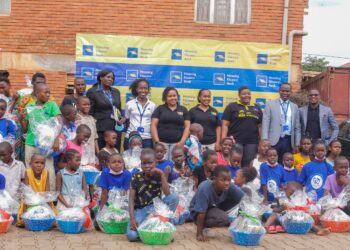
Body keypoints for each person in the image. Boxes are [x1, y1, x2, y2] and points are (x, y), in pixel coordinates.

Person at [127, 148, 179, 242]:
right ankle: (150, 226)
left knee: (174, 197)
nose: (147, 166)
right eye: (144, 163)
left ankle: (166, 226)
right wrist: (132, 219)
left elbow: (167, 194)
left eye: (150, 163)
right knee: (132, 236)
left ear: (155, 163)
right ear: (141, 163)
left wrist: (162, 175)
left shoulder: (159, 175)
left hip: (157, 208)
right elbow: (131, 199)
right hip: (141, 210)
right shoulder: (136, 177)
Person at [20, 83, 61, 191]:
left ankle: (50, 198)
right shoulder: (29, 106)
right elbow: (25, 129)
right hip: (30, 143)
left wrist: (56, 139)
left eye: (49, 92)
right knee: (30, 170)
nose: (48, 95)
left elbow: (59, 123)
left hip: (46, 144)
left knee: (49, 170)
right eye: (45, 92)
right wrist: (22, 119)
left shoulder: (52, 105)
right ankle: (31, 195)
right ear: (37, 93)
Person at [190, 165, 245, 242]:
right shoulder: (205, 188)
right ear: (215, 179)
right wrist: (199, 234)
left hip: (212, 207)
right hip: (197, 211)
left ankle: (211, 217)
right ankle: (200, 225)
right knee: (223, 219)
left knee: (239, 198)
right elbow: (201, 212)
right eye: (223, 180)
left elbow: (244, 199)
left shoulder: (229, 186)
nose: (226, 183)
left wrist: (242, 220)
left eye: (228, 180)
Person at [264, 181, 330, 235]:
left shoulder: (296, 201)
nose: (292, 196)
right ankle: (266, 226)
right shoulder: (279, 198)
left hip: (291, 219)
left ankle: (319, 230)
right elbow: (274, 210)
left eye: (295, 195)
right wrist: (282, 208)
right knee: (274, 215)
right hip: (280, 218)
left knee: (306, 219)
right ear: (285, 189)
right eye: (291, 193)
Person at [222, 86, 263, 166]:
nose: (247, 95)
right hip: (235, 140)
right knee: (234, 163)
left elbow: (260, 126)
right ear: (239, 95)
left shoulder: (256, 108)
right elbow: (225, 125)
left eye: (248, 93)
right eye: (244, 94)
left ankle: (246, 178)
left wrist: (260, 141)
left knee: (248, 163)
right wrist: (223, 140)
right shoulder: (231, 106)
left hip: (252, 142)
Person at [12, 73, 47, 162]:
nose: (40, 85)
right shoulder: (24, 100)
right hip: (25, 132)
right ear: (32, 83)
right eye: (38, 83)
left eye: (42, 83)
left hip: (42, 135)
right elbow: (19, 116)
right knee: (23, 158)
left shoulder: (49, 100)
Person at [87, 69, 124, 150]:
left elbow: (118, 109)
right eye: (108, 77)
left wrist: (121, 119)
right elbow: (90, 113)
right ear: (101, 77)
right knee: (102, 154)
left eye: (112, 78)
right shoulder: (92, 92)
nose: (111, 79)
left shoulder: (116, 91)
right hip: (100, 129)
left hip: (115, 129)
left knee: (114, 153)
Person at [262, 83, 299, 162]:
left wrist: (297, 143)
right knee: (272, 163)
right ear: (279, 91)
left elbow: (297, 127)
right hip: (273, 140)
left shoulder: (295, 106)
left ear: (290, 92)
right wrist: (265, 139)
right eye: (283, 91)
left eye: (287, 91)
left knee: (286, 163)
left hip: (288, 140)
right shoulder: (270, 104)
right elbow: (265, 123)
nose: (285, 93)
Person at [17, 154, 56, 226]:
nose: (39, 165)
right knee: (23, 220)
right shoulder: (28, 172)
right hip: (30, 201)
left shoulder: (46, 172)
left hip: (43, 200)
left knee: (53, 219)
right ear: (30, 164)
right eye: (36, 162)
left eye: (42, 163)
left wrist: (51, 209)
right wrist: (24, 213)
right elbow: (26, 192)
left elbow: (47, 192)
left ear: (44, 165)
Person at [151, 87, 190, 160]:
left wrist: (182, 142)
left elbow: (187, 127)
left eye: (174, 96)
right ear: (165, 98)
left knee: (176, 166)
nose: (173, 98)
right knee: (161, 166)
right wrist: (157, 142)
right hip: (161, 144)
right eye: (170, 96)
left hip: (177, 144)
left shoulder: (183, 109)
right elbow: (153, 125)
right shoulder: (160, 108)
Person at [125, 79, 156, 149]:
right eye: (141, 88)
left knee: (147, 159)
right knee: (130, 159)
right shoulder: (129, 104)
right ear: (136, 89)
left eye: (145, 88)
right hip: (131, 137)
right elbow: (127, 119)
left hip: (147, 138)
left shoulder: (152, 105)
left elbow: (153, 123)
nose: (143, 90)